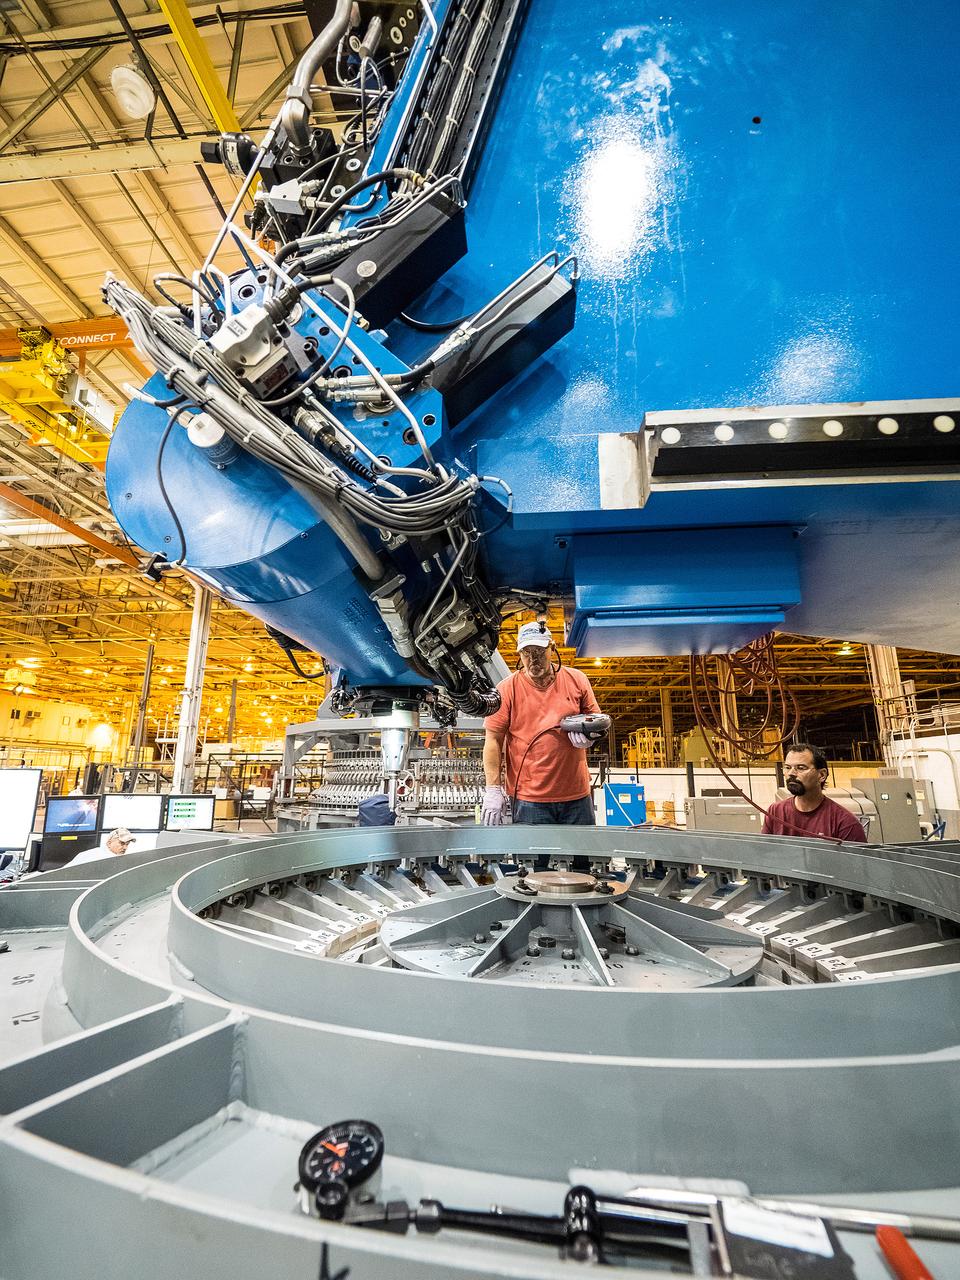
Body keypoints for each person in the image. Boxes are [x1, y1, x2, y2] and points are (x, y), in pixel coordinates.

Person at [481, 622, 603, 825]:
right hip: (529, 798)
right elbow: (493, 740)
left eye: (539, 651)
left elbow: (597, 722)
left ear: (552, 648)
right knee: (534, 857)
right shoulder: (506, 689)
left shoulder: (577, 680)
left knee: (582, 856)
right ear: (519, 654)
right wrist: (493, 788)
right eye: (526, 653)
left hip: (576, 794)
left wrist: (590, 737)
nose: (533, 659)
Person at [762, 744, 867, 842]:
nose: (791, 773)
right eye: (788, 767)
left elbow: (858, 861)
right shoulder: (774, 812)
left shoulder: (845, 822)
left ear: (821, 775)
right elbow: (763, 856)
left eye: (800, 768)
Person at [64, 827, 137, 867]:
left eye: (127, 844)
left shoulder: (122, 861)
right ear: (109, 843)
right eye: (122, 843)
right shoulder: (90, 855)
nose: (125, 848)